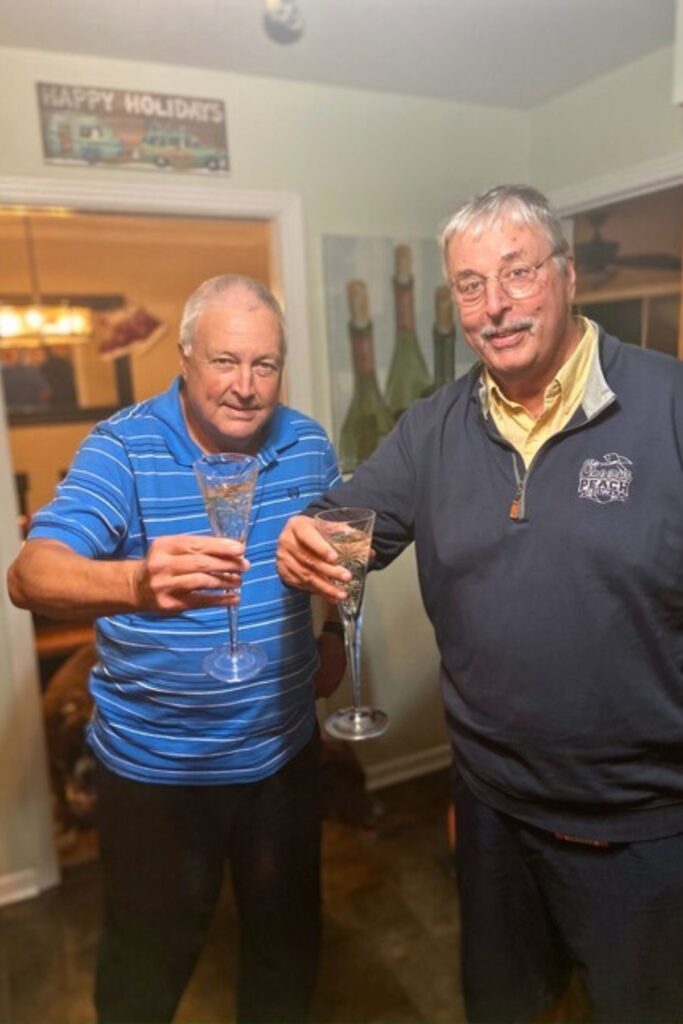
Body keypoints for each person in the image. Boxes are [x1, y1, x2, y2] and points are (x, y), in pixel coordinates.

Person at [276, 185, 683, 1024]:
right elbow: (353, 531)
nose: (493, 306)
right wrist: (306, 539)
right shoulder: (433, 428)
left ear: (566, 276)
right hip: (493, 813)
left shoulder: (668, 406)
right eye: (468, 285)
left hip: (645, 828)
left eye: (516, 273)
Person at [7, 274, 346, 1024]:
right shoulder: (122, 447)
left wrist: (330, 634)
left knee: (286, 950)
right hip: (158, 775)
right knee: (146, 965)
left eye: (265, 365)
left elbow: (337, 559)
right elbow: (30, 575)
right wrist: (134, 581)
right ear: (186, 359)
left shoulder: (308, 444)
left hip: (282, 760)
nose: (246, 387)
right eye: (225, 361)